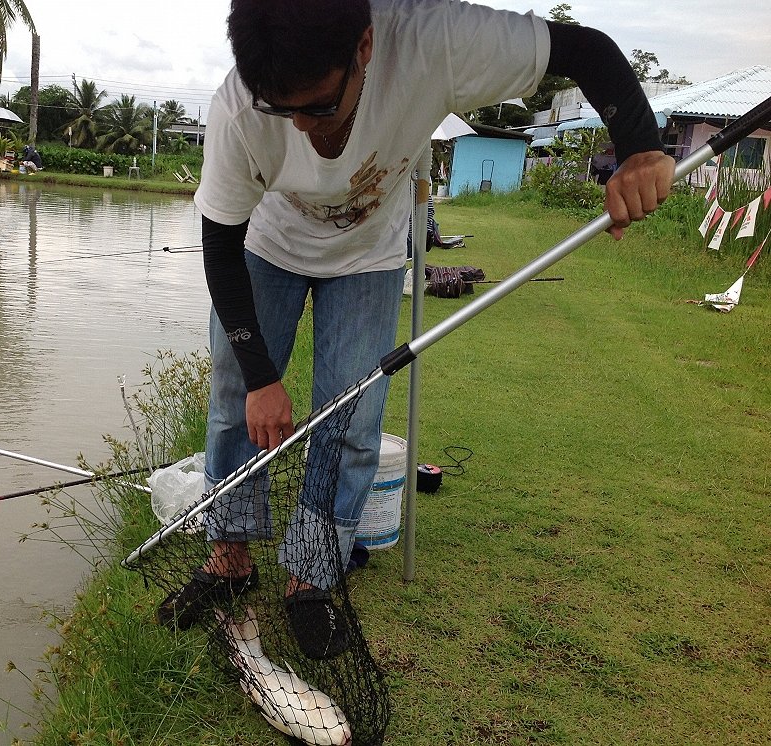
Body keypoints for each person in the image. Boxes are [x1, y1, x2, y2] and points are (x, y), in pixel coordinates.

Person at [157, 0, 674, 658]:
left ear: (365, 48)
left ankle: (310, 578)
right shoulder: (237, 109)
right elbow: (220, 247)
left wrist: (638, 148)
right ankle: (230, 562)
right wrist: (261, 377)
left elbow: (587, 50)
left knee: (351, 414)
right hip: (266, 246)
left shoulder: (436, 40)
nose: (305, 130)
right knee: (235, 399)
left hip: (369, 254)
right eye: (282, 112)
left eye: (318, 106)